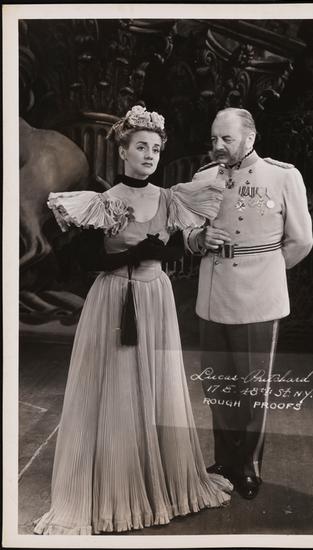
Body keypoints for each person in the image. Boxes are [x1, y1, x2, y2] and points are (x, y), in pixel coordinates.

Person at [33, 104, 232, 535]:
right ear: (123, 151)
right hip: (113, 300)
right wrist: (132, 254)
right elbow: (86, 263)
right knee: (117, 389)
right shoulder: (104, 202)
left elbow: (176, 249)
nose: (149, 156)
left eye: (156, 149)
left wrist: (167, 250)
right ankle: (115, 491)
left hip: (155, 297)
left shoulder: (169, 198)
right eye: (141, 147)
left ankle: (156, 481)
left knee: (157, 388)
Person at [184, 107, 313, 500]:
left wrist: (266, 271)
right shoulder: (203, 178)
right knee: (218, 384)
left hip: (259, 297)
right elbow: (188, 229)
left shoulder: (283, 176)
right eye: (214, 138)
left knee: (254, 388)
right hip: (214, 295)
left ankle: (249, 466)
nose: (218, 145)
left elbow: (301, 240)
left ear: (250, 138)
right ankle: (224, 461)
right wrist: (198, 239)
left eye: (227, 138)